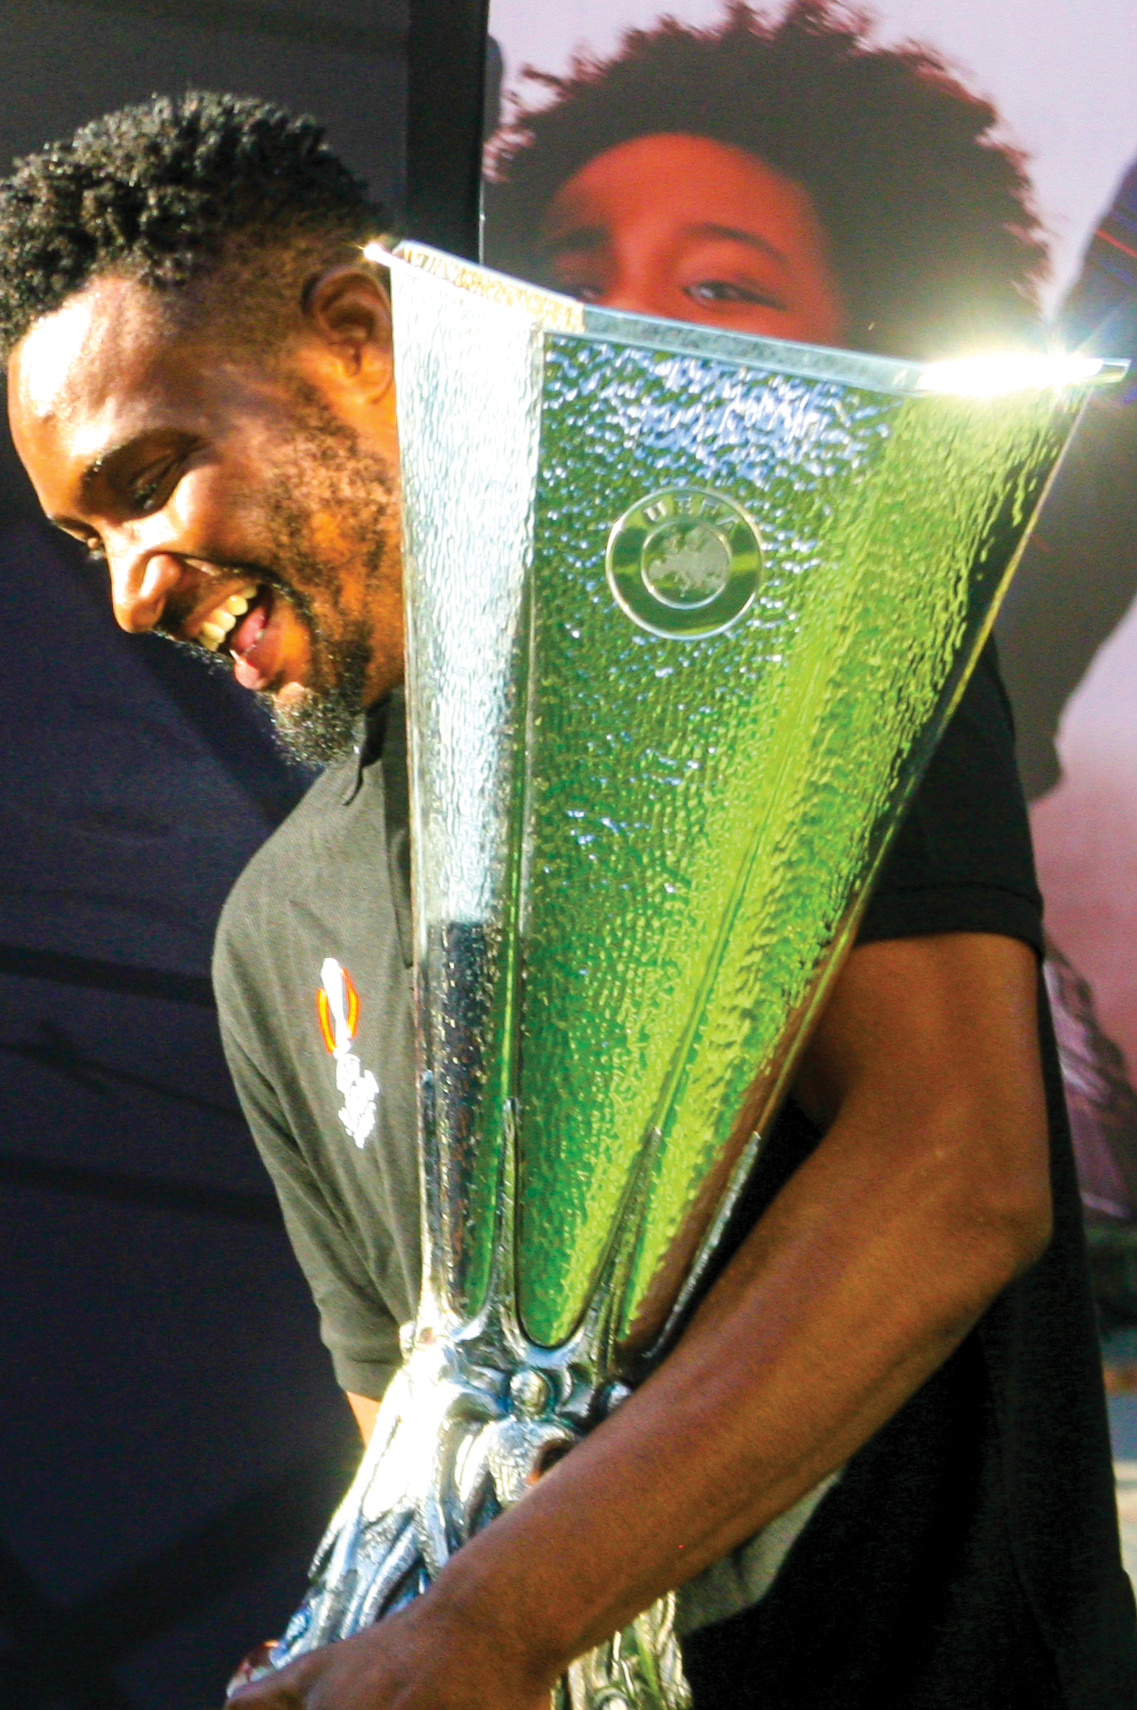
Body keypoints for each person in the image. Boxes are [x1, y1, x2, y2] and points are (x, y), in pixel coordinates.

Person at [0, 92, 1137, 1710]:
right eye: (85, 537)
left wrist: (486, 1631)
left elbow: (950, 1176)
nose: (131, 583)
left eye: (148, 475)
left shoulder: (777, 642)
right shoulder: (272, 925)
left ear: (353, 337)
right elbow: (420, 1441)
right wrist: (370, 1651)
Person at [481, 0, 1137, 1254]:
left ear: (877, 340)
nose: (630, 327)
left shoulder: (942, 616)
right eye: (575, 282)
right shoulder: (459, 712)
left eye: (720, 285)